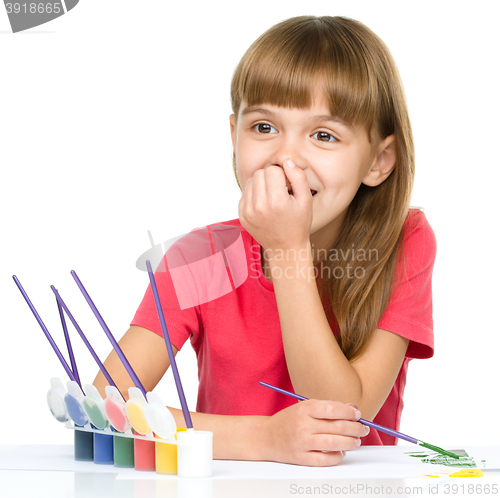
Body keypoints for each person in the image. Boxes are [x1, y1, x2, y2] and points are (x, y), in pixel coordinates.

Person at [93, 15, 436, 467]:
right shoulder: (202, 258)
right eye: (264, 128)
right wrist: (260, 439)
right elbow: (104, 411)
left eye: (323, 135)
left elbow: (343, 416)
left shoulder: (402, 242)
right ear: (233, 136)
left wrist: (287, 249)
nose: (285, 156)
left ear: (379, 161)